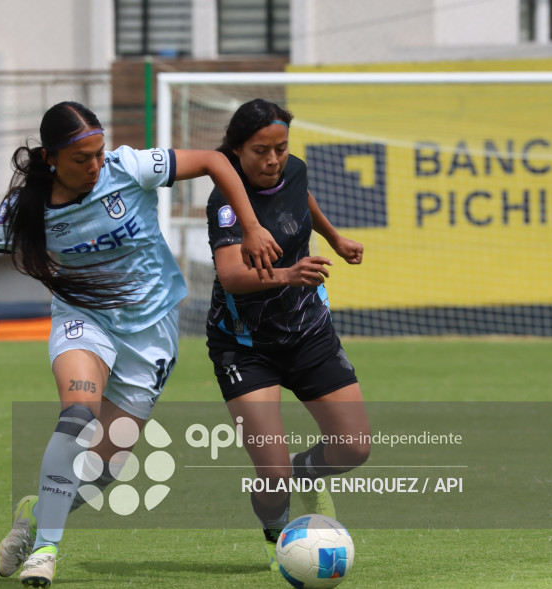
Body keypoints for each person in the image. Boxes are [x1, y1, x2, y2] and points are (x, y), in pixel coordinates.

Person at [0, 101, 281, 588]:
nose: (96, 166)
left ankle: (34, 513)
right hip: (84, 323)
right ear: (51, 158)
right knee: (78, 414)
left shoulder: (128, 168)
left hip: (151, 332)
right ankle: (46, 552)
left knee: (104, 470)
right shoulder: (27, 209)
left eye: (99, 154)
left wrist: (250, 227)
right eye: (82, 159)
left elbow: (214, 161)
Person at [205, 99, 371, 571]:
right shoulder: (226, 201)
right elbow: (233, 276)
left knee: (355, 447)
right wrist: (288, 274)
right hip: (245, 346)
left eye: (280, 148)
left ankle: (305, 470)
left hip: (307, 332)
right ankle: (277, 526)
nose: (273, 159)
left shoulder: (292, 170)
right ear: (236, 151)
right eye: (260, 150)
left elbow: (300, 199)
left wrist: (335, 238)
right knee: (271, 479)